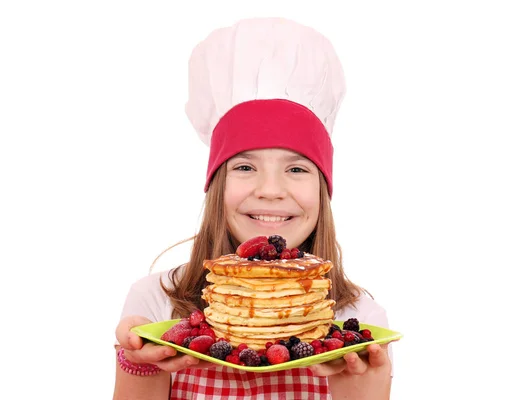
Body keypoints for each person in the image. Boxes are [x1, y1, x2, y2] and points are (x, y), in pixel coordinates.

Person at [113, 17, 394, 400]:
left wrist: (362, 389)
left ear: (323, 189)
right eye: (245, 167)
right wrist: (141, 363)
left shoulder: (355, 320)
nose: (270, 190)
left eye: (296, 169)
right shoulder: (156, 303)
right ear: (216, 185)